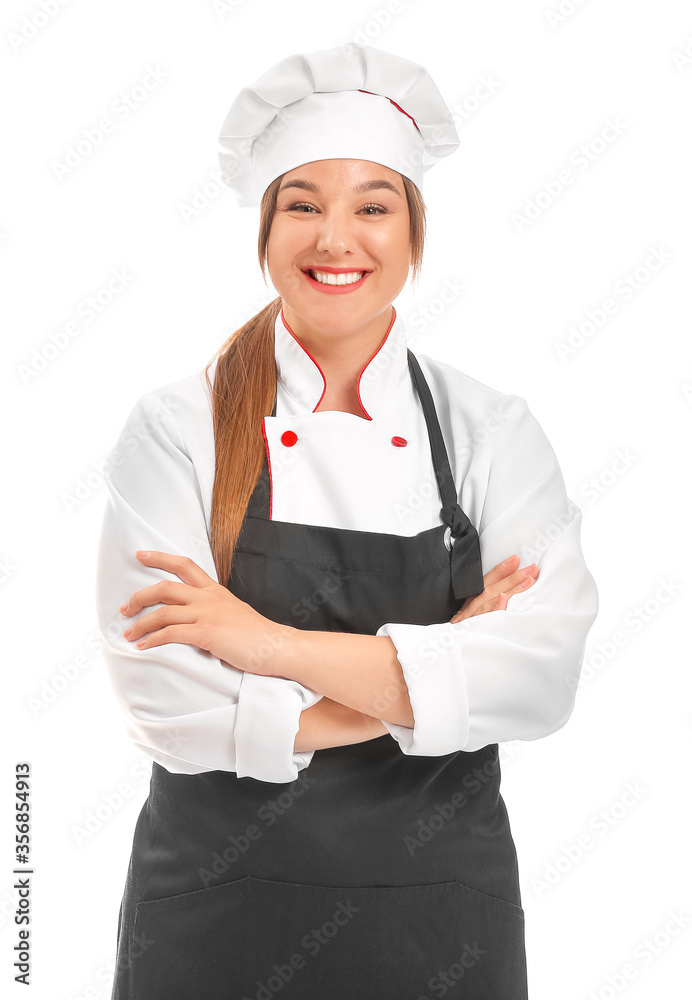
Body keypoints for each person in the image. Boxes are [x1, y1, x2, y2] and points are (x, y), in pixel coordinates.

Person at [95, 41, 599, 1000]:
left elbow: (540, 680)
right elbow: (167, 707)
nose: (338, 239)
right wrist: (442, 662)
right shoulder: (177, 429)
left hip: (438, 923)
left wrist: (264, 643)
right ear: (265, 229)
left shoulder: (490, 429)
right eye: (304, 205)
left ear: (413, 237)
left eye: (373, 207)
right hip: (215, 919)